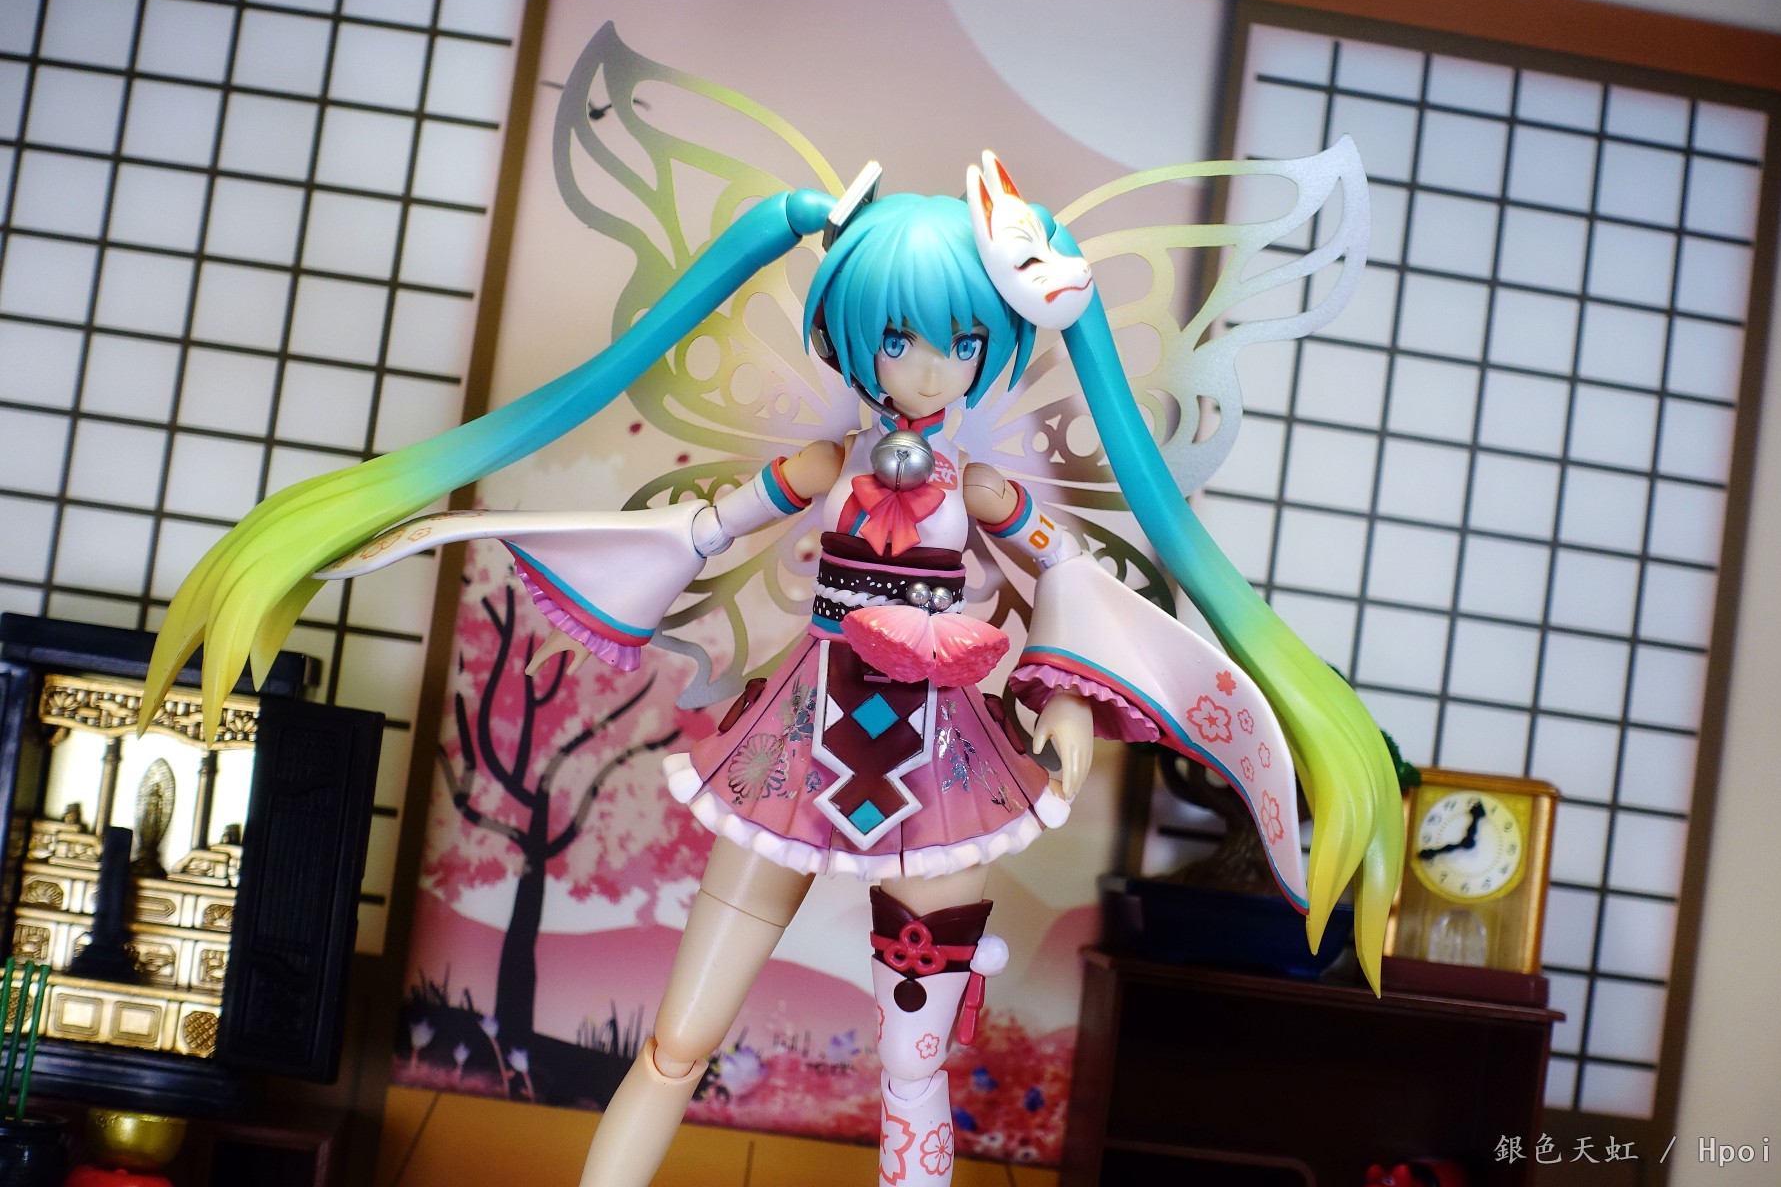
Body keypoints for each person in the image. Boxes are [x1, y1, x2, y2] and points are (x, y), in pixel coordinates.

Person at [145, 151, 1399, 1187]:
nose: (925, 370)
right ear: (854, 338)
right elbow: (702, 531)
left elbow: (1064, 584)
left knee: (914, 1073)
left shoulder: (982, 491)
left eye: (959, 340)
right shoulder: (824, 470)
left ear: (996, 344)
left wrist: (1064, 706)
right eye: (897, 339)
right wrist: (566, 548)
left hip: (943, 770)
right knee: (675, 1043)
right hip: (796, 751)